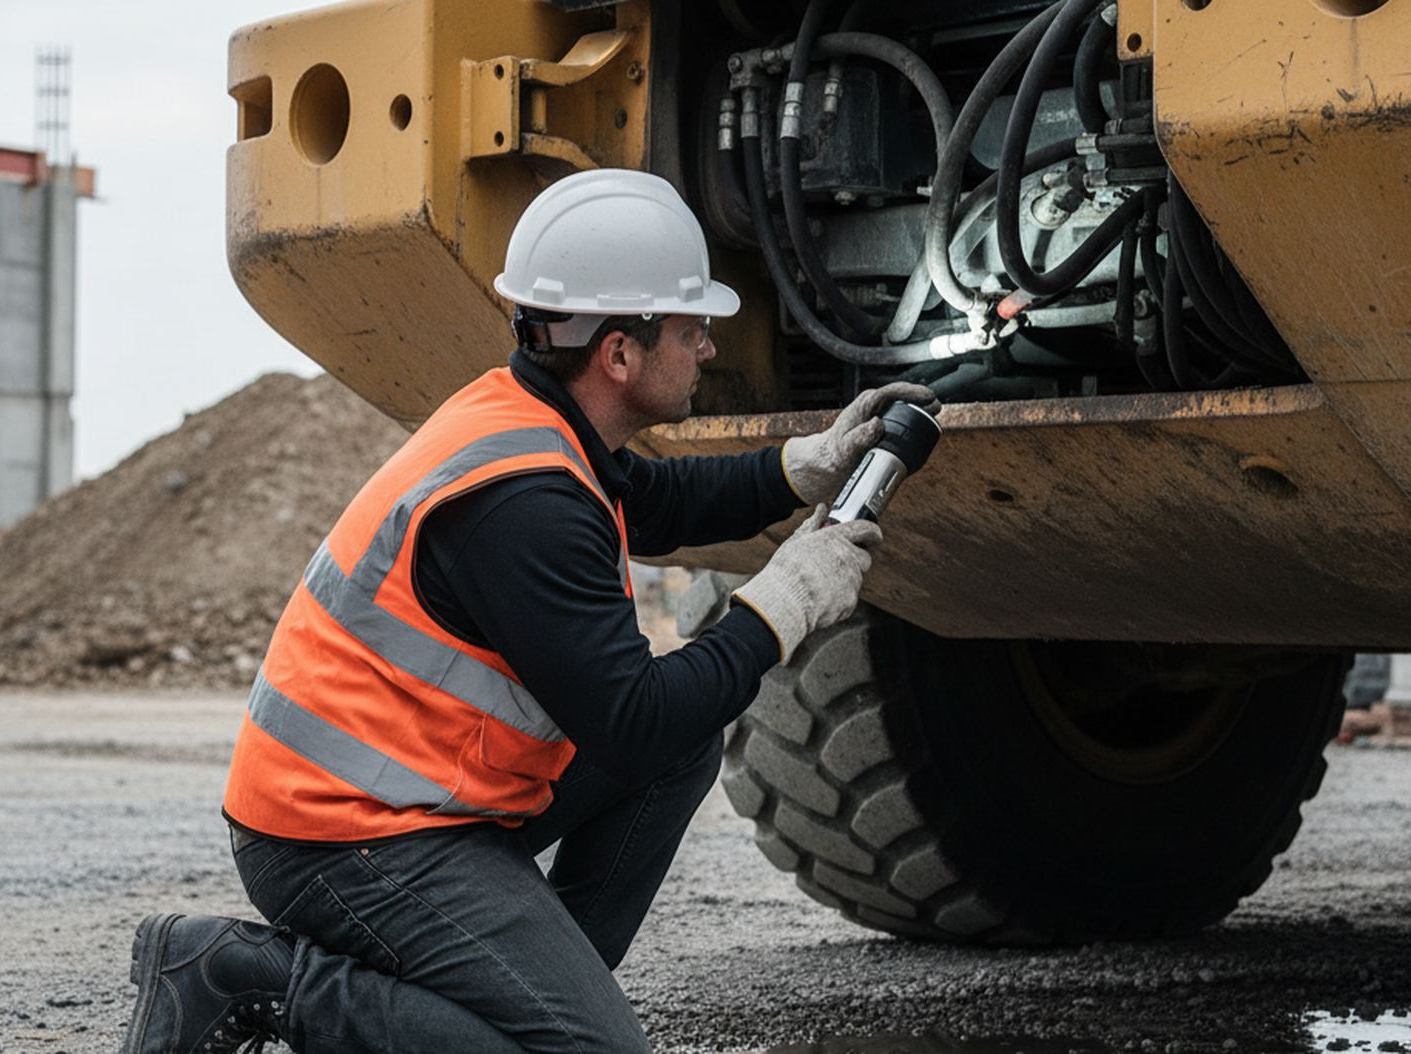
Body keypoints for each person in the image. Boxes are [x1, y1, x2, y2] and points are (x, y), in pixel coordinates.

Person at [118, 169, 938, 1054]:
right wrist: (785, 601)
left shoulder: (534, 416)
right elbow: (629, 724)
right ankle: (248, 979)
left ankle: (518, 1005)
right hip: (342, 836)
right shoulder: (528, 508)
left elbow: (650, 502)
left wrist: (800, 467)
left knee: (682, 745)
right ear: (619, 353)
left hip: (409, 797)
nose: (707, 348)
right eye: (692, 327)